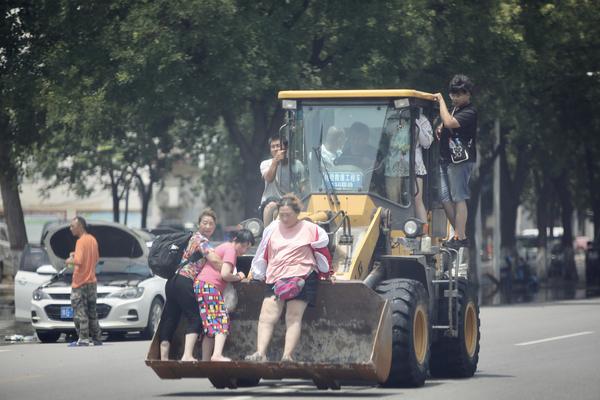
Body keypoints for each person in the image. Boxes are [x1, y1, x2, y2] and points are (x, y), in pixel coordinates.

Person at [245, 194, 333, 362]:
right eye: (281, 215)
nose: (284, 219)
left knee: (293, 316)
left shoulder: (311, 229)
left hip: (302, 277)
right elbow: (263, 252)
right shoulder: (272, 228)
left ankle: (287, 355)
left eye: (288, 215)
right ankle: (260, 353)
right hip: (276, 278)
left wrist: (326, 273)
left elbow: (322, 253)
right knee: (266, 316)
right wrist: (257, 274)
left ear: (297, 213)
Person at [159, 208, 223, 361]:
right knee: (195, 318)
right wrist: (229, 272)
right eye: (205, 223)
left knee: (170, 318)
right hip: (184, 281)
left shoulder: (190, 238)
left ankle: (164, 358)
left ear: (214, 226)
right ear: (199, 224)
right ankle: (187, 355)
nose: (208, 226)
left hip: (172, 281)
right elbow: (214, 260)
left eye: (211, 224)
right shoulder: (201, 240)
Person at [193, 229, 255, 362]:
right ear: (235, 241)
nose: (244, 251)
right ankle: (216, 355)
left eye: (247, 248)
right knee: (222, 320)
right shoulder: (231, 250)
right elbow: (225, 274)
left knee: (210, 327)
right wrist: (238, 276)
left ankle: (205, 361)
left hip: (202, 285)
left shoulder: (225, 247)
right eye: (243, 246)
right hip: (210, 286)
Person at [433, 74, 477, 249]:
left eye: (460, 94)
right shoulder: (454, 110)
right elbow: (447, 123)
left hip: (460, 161)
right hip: (445, 159)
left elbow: (450, 123)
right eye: (453, 94)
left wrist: (441, 101)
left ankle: (461, 236)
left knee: (459, 197)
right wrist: (439, 127)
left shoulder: (470, 111)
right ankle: (458, 234)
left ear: (468, 94)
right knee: (445, 198)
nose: (456, 97)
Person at [65, 216, 102, 347]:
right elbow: (96, 258)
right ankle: (97, 338)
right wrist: (77, 255)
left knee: (80, 312)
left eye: (72, 226)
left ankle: (83, 338)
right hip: (92, 281)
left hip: (80, 283)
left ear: (80, 226)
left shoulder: (80, 241)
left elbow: (78, 261)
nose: (70, 229)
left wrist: (69, 260)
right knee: (92, 311)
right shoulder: (92, 239)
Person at [259, 135, 304, 226]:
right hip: (271, 201)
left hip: (290, 202)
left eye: (278, 146)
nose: (275, 149)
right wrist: (275, 161)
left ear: (285, 148)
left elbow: (302, 187)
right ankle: (266, 236)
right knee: (272, 207)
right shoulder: (265, 164)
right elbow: (269, 178)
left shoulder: (297, 164)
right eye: (273, 147)